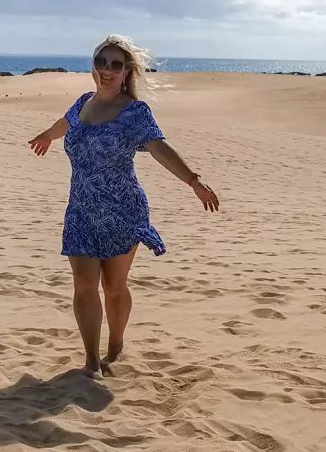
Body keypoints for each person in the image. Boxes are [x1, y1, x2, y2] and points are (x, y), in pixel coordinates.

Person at [28, 35, 220, 377]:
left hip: (122, 210)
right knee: (84, 284)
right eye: (101, 62)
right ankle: (90, 360)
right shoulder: (83, 103)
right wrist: (45, 135)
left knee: (114, 287)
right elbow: (65, 123)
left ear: (126, 71)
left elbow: (160, 148)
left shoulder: (134, 112)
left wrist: (193, 181)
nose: (107, 70)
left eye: (116, 65)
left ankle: (115, 344)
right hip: (81, 211)